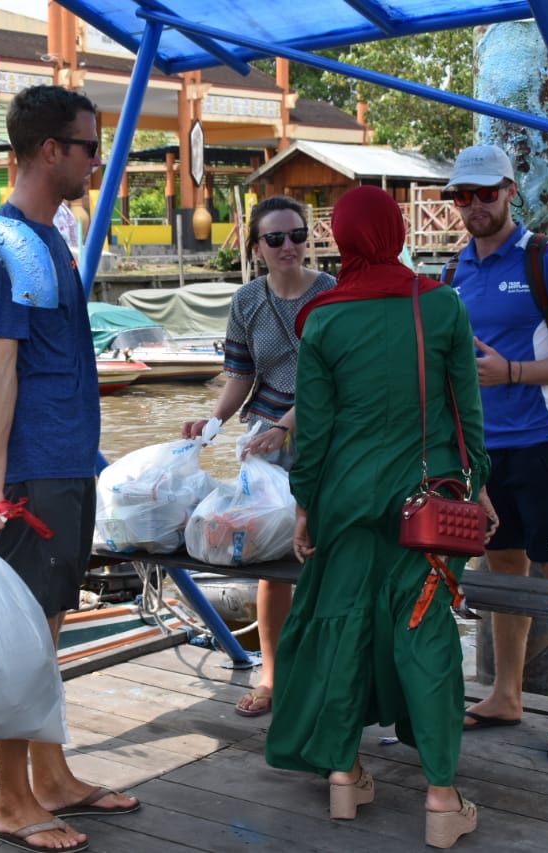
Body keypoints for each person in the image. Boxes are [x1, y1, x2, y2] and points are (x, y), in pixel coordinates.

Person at [265, 186, 495, 849]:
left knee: (344, 631)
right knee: (423, 634)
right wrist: (476, 483)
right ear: (395, 232)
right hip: (424, 505)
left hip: (344, 500)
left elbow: (314, 433)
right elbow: (468, 415)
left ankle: (344, 775)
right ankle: (443, 799)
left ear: (341, 238)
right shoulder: (442, 306)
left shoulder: (322, 320)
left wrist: (306, 505)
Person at [0, 84, 138, 853]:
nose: (97, 160)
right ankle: (10, 798)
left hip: (66, 462)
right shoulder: (5, 245)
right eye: (88, 147)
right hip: (33, 471)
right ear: (48, 151)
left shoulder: (50, 238)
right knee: (19, 637)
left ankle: (55, 776)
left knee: (49, 630)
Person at [441, 144, 548, 762]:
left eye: (486, 193)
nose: (474, 206)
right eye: (463, 196)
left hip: (541, 444)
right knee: (500, 569)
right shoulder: (458, 268)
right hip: (481, 453)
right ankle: (506, 693)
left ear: (511, 191)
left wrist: (511, 372)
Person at [182, 195, 336, 718]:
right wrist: (214, 422)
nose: (288, 246)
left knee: (331, 552)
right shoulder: (247, 301)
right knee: (273, 563)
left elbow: (335, 377)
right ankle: (271, 675)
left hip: (328, 436)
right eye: (276, 239)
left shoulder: (333, 294)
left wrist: (285, 425)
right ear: (257, 247)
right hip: (265, 443)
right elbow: (241, 374)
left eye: (297, 236)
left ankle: (328, 672)